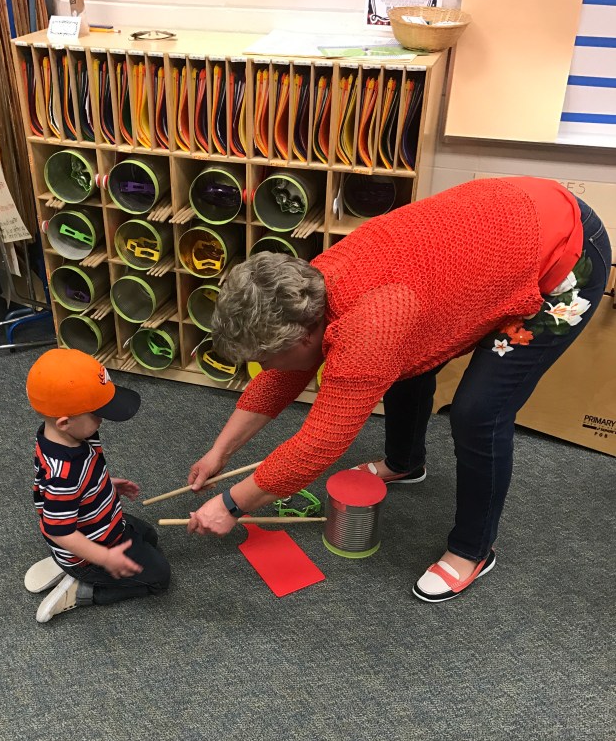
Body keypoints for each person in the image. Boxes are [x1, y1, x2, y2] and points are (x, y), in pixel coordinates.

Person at [186, 177, 611, 602]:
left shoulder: (372, 325)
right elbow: (282, 376)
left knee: (479, 413)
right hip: (508, 232)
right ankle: (405, 463)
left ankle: (473, 550)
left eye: (266, 357)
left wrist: (231, 505)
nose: (265, 368)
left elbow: (321, 442)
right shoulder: (309, 291)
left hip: (566, 258)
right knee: (404, 361)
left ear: (302, 338)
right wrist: (219, 452)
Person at [24, 348, 170, 623]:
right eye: (97, 413)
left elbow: (76, 485)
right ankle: (85, 589)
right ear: (65, 422)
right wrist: (104, 558)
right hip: (91, 552)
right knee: (161, 578)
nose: (102, 419)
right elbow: (59, 531)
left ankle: (75, 566)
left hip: (105, 522)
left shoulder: (69, 434)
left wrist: (103, 484)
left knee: (150, 536)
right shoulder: (63, 475)